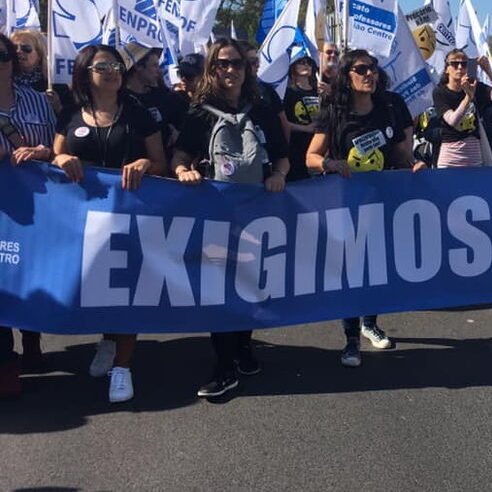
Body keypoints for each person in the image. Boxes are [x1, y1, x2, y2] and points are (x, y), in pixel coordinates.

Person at [172, 38, 289, 398]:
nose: (230, 70)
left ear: (246, 68)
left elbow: (283, 155)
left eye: (236, 63)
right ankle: (223, 368)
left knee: (249, 283)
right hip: (216, 213)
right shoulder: (200, 112)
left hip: (256, 212)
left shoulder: (262, 109)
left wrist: (278, 175)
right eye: (222, 63)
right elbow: (180, 154)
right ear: (211, 68)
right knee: (220, 289)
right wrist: (182, 171)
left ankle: (243, 347)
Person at [52, 44, 167, 402]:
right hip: (82, 220)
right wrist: (61, 159)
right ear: (86, 74)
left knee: (126, 289)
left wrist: (145, 164)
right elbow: (56, 153)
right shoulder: (71, 114)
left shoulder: (138, 113)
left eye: (117, 65)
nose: (113, 71)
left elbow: (160, 162)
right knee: (93, 285)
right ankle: (107, 340)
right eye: (103, 66)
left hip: (130, 216)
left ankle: (123, 367)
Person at [305, 49, 425, 367]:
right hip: (346, 203)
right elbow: (311, 157)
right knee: (351, 270)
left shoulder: (388, 106)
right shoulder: (334, 111)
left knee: (375, 268)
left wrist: (412, 164)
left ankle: (370, 324)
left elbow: (399, 153)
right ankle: (351, 340)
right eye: (361, 69)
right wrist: (330, 163)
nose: (369, 74)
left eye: (372, 68)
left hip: (382, 201)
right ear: (347, 76)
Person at [0, 33, 57, 395]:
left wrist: (43, 153)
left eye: (2, 56)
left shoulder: (38, 101)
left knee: (27, 274)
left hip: (35, 207)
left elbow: (57, 147)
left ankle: (32, 339)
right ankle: (5, 362)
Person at [432, 50, 492, 168]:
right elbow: (452, 120)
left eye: (464, 64)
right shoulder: (440, 92)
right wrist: (468, 98)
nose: (460, 67)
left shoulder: (475, 86)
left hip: (474, 158)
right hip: (450, 159)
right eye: (455, 64)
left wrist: (489, 72)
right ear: (447, 69)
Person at [121, 43, 187, 159]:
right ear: (138, 66)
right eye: (155, 65)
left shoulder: (164, 96)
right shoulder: (119, 100)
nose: (159, 71)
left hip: (165, 166)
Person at [10, 29, 72, 112]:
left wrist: (58, 107)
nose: (18, 51)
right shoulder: (5, 83)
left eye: (26, 48)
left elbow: (72, 117)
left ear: (39, 55)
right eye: (14, 48)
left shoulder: (56, 87)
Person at [282, 53, 321, 182]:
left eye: (308, 63)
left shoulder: (319, 93)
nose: (306, 65)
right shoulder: (288, 93)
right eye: (302, 62)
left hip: (318, 148)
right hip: (297, 149)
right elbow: (283, 122)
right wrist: (306, 128)